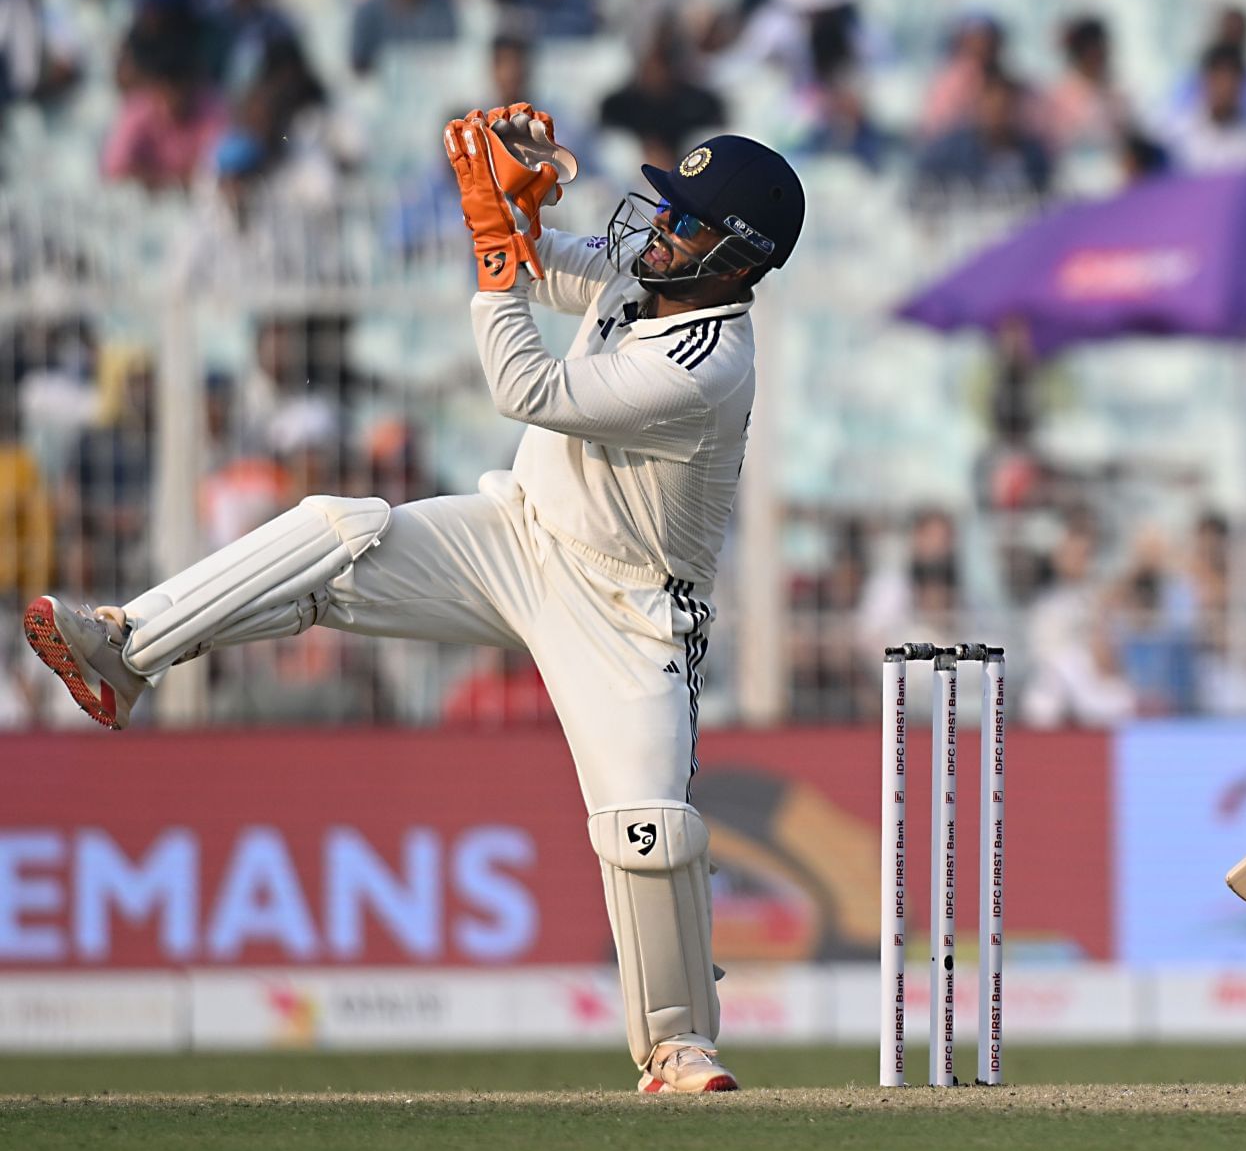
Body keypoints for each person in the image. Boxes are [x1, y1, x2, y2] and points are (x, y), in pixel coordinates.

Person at [22, 110, 806, 1097]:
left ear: (736, 261)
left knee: (650, 829)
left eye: (684, 222)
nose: (657, 228)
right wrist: (514, 213)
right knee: (331, 531)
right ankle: (128, 646)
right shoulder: (648, 267)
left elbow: (524, 383)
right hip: (516, 532)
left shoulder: (704, 365)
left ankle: (680, 1046)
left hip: (628, 606)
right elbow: (549, 265)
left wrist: (494, 248)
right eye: (665, 207)